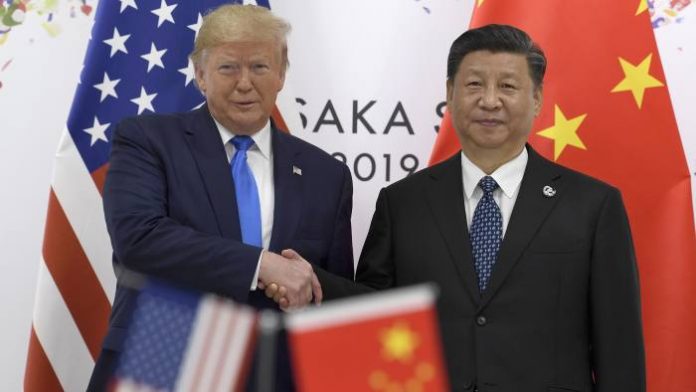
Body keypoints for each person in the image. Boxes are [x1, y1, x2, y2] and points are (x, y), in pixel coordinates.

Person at [286, 24, 645, 391]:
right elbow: (376, 314)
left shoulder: (592, 205)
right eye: (474, 84)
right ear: (450, 93)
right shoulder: (403, 202)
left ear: (536, 98)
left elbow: (620, 349)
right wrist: (314, 282)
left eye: (507, 86)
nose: (490, 100)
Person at [88, 4, 354, 390]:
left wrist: (306, 293)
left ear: (281, 74)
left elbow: (334, 292)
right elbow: (138, 239)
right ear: (200, 75)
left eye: (260, 67)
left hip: (275, 372)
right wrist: (262, 265)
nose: (245, 83)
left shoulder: (325, 174)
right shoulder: (147, 139)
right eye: (229, 67)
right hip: (163, 359)